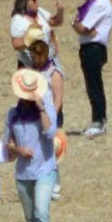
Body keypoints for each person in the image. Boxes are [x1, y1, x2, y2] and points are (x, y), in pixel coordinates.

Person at [5, 67, 59, 222]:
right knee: (30, 218)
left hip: (45, 168)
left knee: (41, 212)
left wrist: (42, 108)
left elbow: (51, 132)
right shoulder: (12, 114)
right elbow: (7, 142)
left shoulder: (46, 108)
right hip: (23, 172)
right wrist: (18, 149)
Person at [70, 0, 112, 136]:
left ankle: (99, 121)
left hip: (94, 48)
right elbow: (80, 26)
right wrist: (78, 25)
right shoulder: (91, 5)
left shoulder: (100, 4)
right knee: (91, 84)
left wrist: (78, 25)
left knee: (94, 84)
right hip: (89, 47)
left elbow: (82, 27)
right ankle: (97, 120)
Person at [28, 36, 67, 200]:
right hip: (35, 115)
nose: (33, 59)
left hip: (51, 115)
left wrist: (51, 119)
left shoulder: (54, 72)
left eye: (35, 56)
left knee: (52, 150)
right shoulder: (33, 71)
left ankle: (55, 187)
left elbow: (58, 99)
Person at [9, 0, 65, 66]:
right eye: (34, 0)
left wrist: (60, 11)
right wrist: (29, 39)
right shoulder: (18, 20)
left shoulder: (39, 11)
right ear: (25, 3)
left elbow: (56, 22)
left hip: (49, 61)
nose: (37, 2)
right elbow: (16, 44)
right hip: (31, 65)